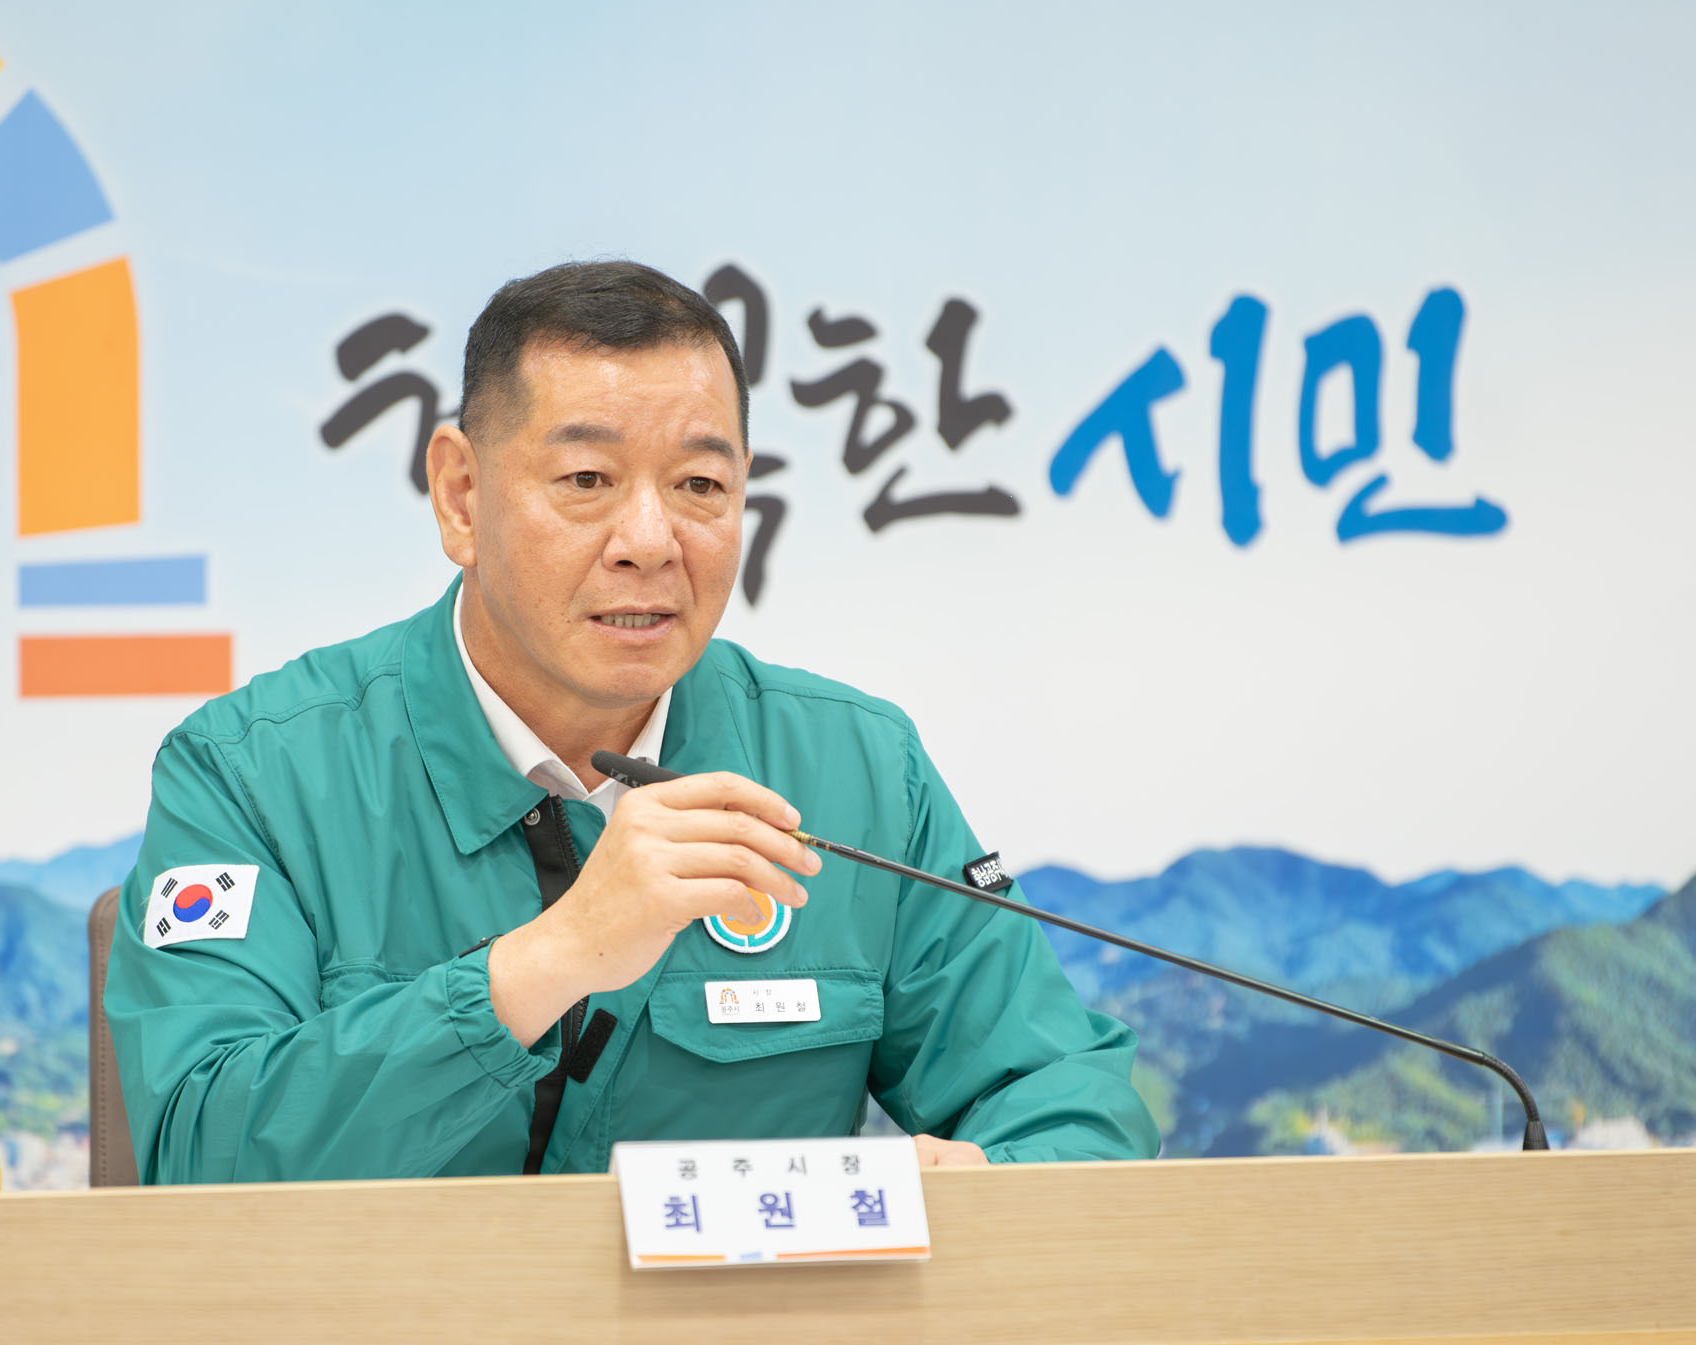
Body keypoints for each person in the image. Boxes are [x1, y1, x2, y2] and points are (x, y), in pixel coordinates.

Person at [104, 261, 1158, 1183]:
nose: (650, 540)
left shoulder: (859, 768)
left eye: (700, 483)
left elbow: (1070, 1098)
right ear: (462, 496)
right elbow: (200, 1153)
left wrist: (992, 1179)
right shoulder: (255, 772)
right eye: (586, 479)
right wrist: (546, 961)